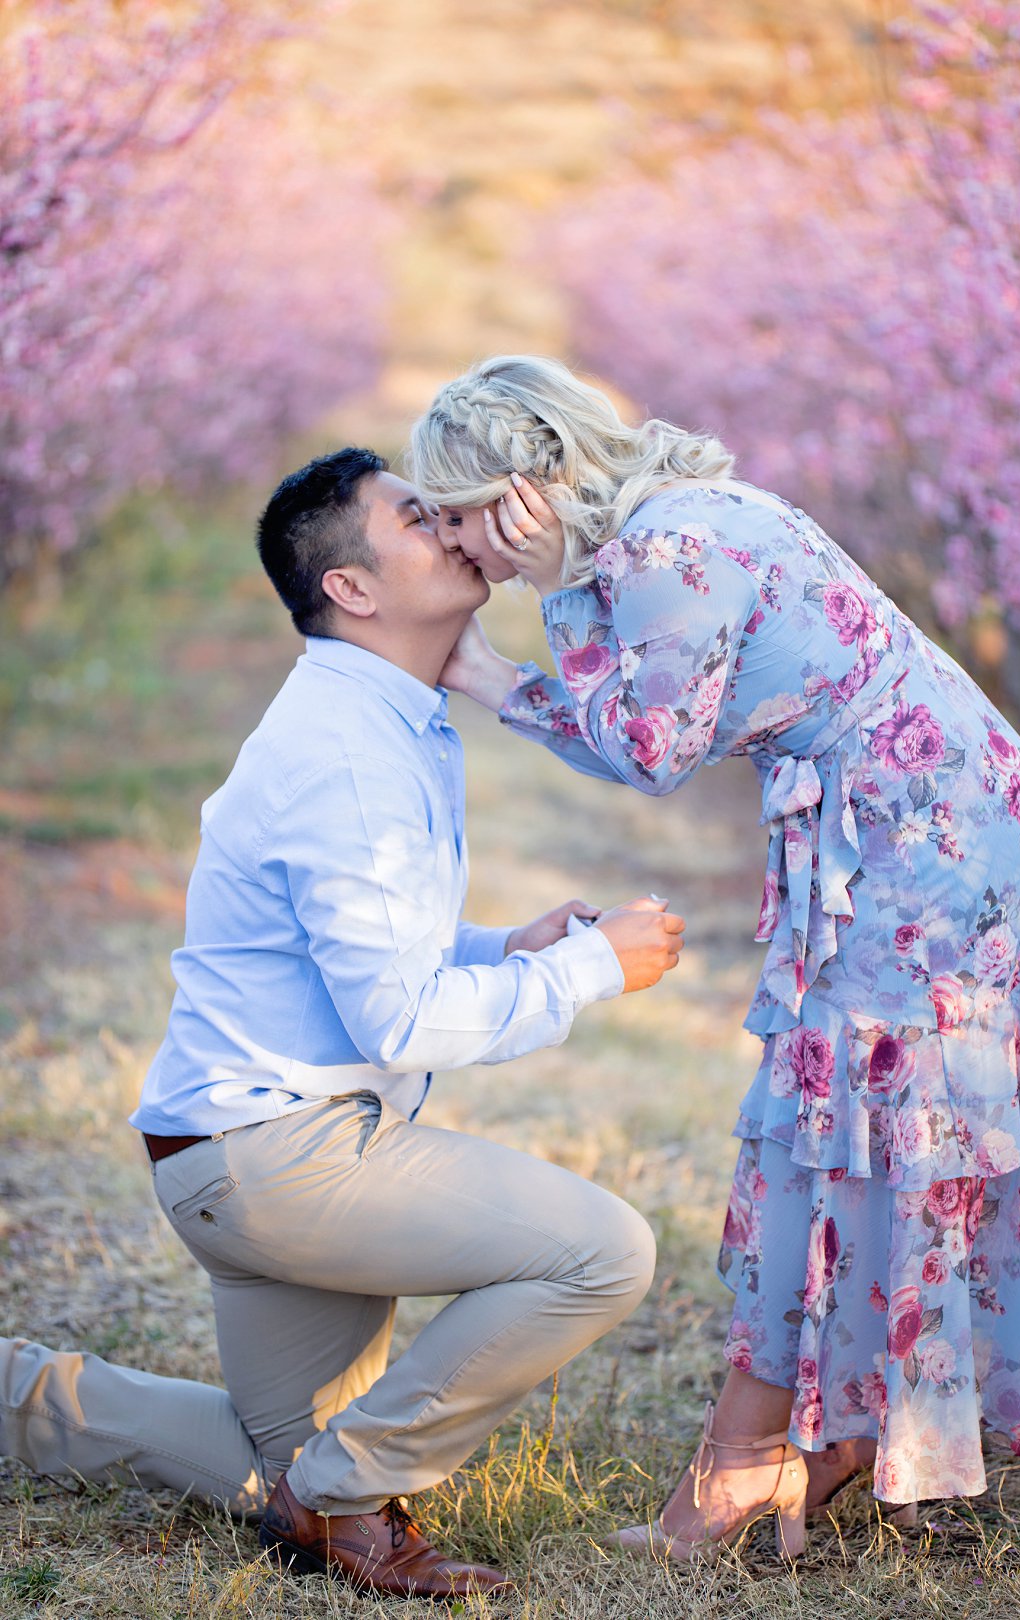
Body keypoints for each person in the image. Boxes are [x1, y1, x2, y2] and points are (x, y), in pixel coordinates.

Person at [409, 355, 1020, 1561]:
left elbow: (649, 749)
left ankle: (757, 1459)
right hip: (913, 813)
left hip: (926, 829)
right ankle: (832, 1437)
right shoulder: (658, 530)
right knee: (855, 1122)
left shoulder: (665, 550)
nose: (461, 547)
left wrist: (499, 669)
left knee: (852, 1119)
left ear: (531, 487)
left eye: (463, 515)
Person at [0, 447, 688, 1600]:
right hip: (282, 1157)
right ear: (354, 589)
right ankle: (343, 1498)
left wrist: (505, 948)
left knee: (273, 1465)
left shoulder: (375, 717)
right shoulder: (347, 756)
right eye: (421, 518)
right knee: (604, 1252)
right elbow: (404, 1015)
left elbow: (363, 949)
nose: (460, 526)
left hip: (237, 1148)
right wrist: (586, 971)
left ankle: (30, 1397)